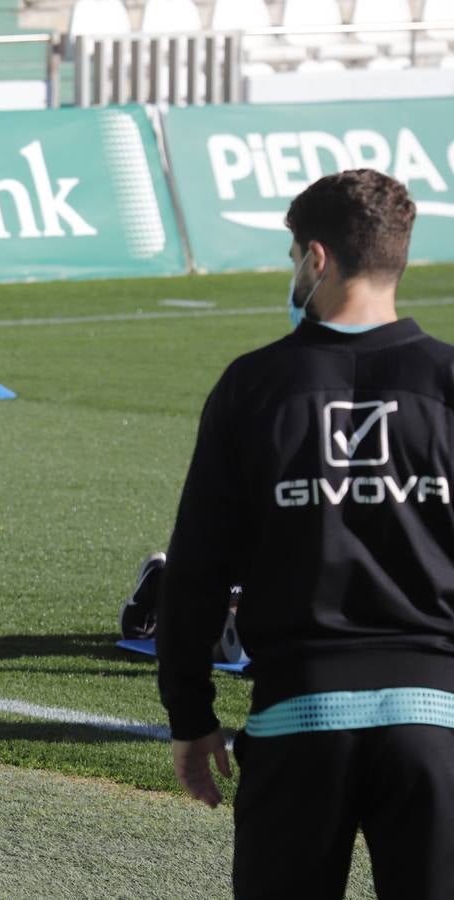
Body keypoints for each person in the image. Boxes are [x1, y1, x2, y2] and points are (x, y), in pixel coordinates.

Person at [158, 169, 454, 898]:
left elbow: (195, 570)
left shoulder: (254, 385)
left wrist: (190, 716)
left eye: (294, 255)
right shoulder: (447, 381)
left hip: (297, 723)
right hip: (437, 728)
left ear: (315, 258)